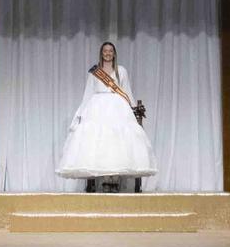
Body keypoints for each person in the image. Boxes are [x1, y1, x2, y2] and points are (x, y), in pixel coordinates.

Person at [56, 41, 157, 192]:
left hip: (118, 107)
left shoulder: (121, 71)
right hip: (97, 108)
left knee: (116, 143)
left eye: (110, 51)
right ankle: (104, 181)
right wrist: (81, 113)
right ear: (101, 53)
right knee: (100, 143)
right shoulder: (95, 71)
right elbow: (88, 93)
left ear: (114, 53)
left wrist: (134, 108)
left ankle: (114, 180)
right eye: (105, 51)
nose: (108, 53)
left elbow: (127, 90)